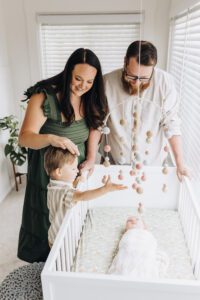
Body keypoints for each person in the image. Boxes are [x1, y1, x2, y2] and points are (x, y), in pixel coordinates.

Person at [17, 48, 108, 263]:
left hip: (76, 168)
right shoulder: (44, 95)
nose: (82, 86)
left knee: (72, 214)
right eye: (78, 79)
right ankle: (43, 267)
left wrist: (91, 157)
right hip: (49, 169)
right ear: (68, 72)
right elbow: (24, 138)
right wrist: (51, 138)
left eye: (89, 81)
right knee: (48, 215)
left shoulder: (91, 97)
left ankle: (68, 265)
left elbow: (95, 127)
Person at [98, 40, 190, 180]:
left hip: (151, 167)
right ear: (125, 63)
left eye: (144, 78)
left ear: (153, 69)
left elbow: (172, 124)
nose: (138, 83)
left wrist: (180, 163)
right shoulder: (107, 83)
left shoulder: (165, 83)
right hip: (113, 165)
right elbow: (97, 124)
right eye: (132, 76)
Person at [44, 146, 127, 246]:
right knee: (66, 261)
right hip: (63, 240)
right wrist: (105, 189)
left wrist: (76, 182)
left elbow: (65, 194)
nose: (77, 171)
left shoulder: (53, 185)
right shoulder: (65, 192)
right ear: (59, 172)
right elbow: (82, 195)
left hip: (53, 235)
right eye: (73, 168)